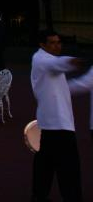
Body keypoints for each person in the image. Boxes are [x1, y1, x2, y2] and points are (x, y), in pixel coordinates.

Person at [30, 30, 85, 202]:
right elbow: (57, 64)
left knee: (45, 163)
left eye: (58, 42)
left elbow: (65, 84)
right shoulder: (42, 59)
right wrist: (72, 61)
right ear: (42, 45)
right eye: (52, 43)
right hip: (59, 124)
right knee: (68, 166)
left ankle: (39, 196)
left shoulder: (42, 60)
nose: (57, 46)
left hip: (50, 122)